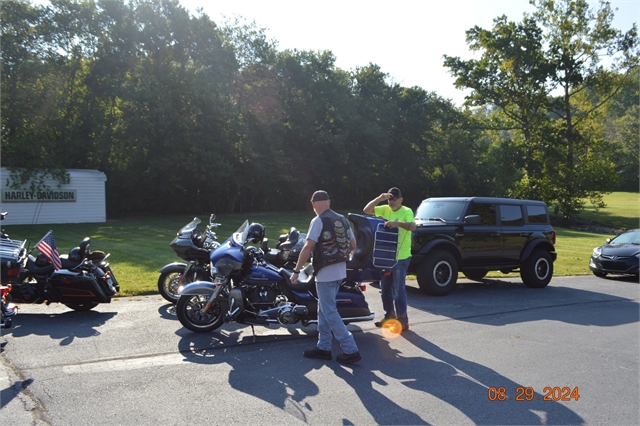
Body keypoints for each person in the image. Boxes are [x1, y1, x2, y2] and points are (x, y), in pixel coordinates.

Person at [291, 190, 361, 364]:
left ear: (314, 205)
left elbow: (308, 247)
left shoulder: (318, 220)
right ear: (328, 202)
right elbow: (353, 245)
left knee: (329, 311)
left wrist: (296, 271)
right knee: (324, 309)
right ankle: (323, 347)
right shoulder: (342, 220)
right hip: (340, 271)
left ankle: (350, 348)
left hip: (325, 273)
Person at [363, 187, 416, 332]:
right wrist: (379, 198)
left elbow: (413, 227)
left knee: (398, 290)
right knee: (385, 288)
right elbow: (366, 210)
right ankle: (389, 316)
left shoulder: (406, 211)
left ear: (401, 200)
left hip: (401, 257)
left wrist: (398, 224)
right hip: (386, 256)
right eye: (389, 199)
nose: (391, 201)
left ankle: (403, 320)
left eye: (394, 199)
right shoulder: (385, 208)